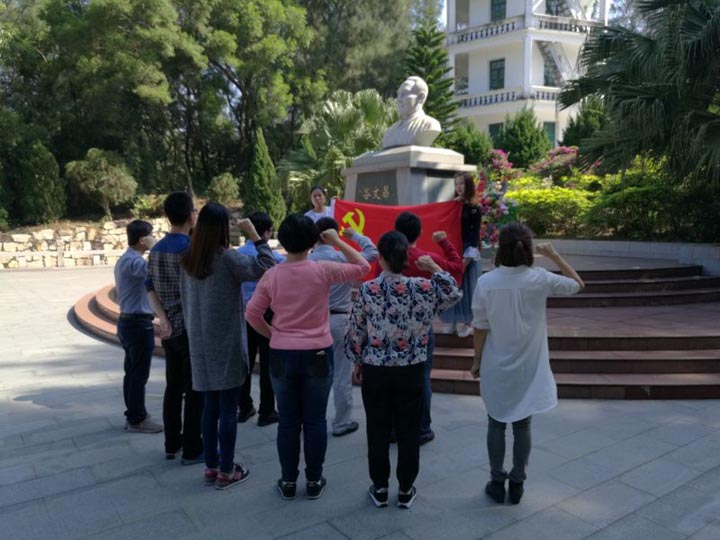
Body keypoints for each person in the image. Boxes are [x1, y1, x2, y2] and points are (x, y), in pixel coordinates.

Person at [246, 214, 370, 501]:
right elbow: (363, 266)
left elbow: (252, 313)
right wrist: (338, 241)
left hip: (281, 353)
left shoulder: (272, 275)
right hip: (317, 353)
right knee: (315, 421)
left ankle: (288, 481)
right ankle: (314, 479)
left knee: (288, 422)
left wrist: (272, 334)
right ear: (314, 240)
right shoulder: (323, 270)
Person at [470, 223, 584, 505]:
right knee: (523, 425)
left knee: (496, 422)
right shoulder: (540, 278)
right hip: (529, 367)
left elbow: (480, 327)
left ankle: (497, 481)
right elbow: (577, 285)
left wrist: (476, 360)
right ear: (528, 249)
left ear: (500, 249)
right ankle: (518, 482)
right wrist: (554, 256)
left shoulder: (486, 282)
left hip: (496, 365)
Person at [346, 231, 461, 509]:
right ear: (406, 257)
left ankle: (380, 487)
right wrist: (434, 268)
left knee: (377, 429)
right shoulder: (423, 287)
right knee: (409, 430)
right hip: (411, 369)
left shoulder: (368, 290)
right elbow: (453, 293)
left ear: (381, 258)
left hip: (376, 368)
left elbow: (356, 330)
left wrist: (357, 360)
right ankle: (406, 489)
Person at [180, 203, 276, 490]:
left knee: (210, 408)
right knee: (227, 410)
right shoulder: (227, 258)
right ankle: (227, 470)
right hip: (226, 343)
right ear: (223, 228)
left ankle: (211, 465)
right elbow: (267, 267)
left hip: (199, 344)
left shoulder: (187, 260)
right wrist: (256, 237)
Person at [394, 211, 463, 445]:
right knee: (421, 378)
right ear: (420, 232)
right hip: (421, 329)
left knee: (393, 378)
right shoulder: (426, 260)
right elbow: (456, 269)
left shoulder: (388, 261)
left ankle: (393, 428)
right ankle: (422, 428)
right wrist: (444, 243)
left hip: (390, 328)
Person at [146, 191, 203, 463]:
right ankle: (192, 448)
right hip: (190, 328)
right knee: (194, 390)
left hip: (168, 329)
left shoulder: (156, 250)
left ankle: (172, 443)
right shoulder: (190, 249)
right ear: (191, 215)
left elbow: (148, 287)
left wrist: (163, 318)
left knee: (173, 388)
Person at [308, 217, 378, 437]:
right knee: (341, 373)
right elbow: (372, 252)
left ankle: (309, 420)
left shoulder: (307, 261)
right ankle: (341, 422)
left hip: (313, 322)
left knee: (311, 374)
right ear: (334, 234)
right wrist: (354, 236)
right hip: (339, 320)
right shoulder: (344, 257)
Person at [237, 211, 285, 426]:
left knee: (245, 363)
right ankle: (267, 411)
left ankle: (244, 407)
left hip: (244, 314)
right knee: (268, 364)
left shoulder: (237, 255)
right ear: (266, 232)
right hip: (267, 314)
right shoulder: (275, 258)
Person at [115, 220, 163, 434]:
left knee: (132, 372)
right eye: (151, 235)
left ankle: (134, 414)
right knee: (138, 374)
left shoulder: (126, 259)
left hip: (129, 322)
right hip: (137, 324)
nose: (154, 238)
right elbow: (158, 267)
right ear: (143, 239)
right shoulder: (134, 262)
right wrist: (155, 247)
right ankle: (137, 419)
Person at [439, 173, 483, 338]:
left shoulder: (474, 209)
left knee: (467, 287)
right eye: (456, 184)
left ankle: (468, 323)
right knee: (451, 286)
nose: (458, 187)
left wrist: (465, 260)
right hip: (452, 251)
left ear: (469, 185)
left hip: (467, 253)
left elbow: (474, 236)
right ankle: (451, 320)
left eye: (462, 184)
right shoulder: (451, 207)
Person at [381, 76, 442, 149]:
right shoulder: (390, 131)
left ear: (421, 97)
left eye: (404, 94)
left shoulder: (429, 125)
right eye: (398, 94)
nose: (399, 99)